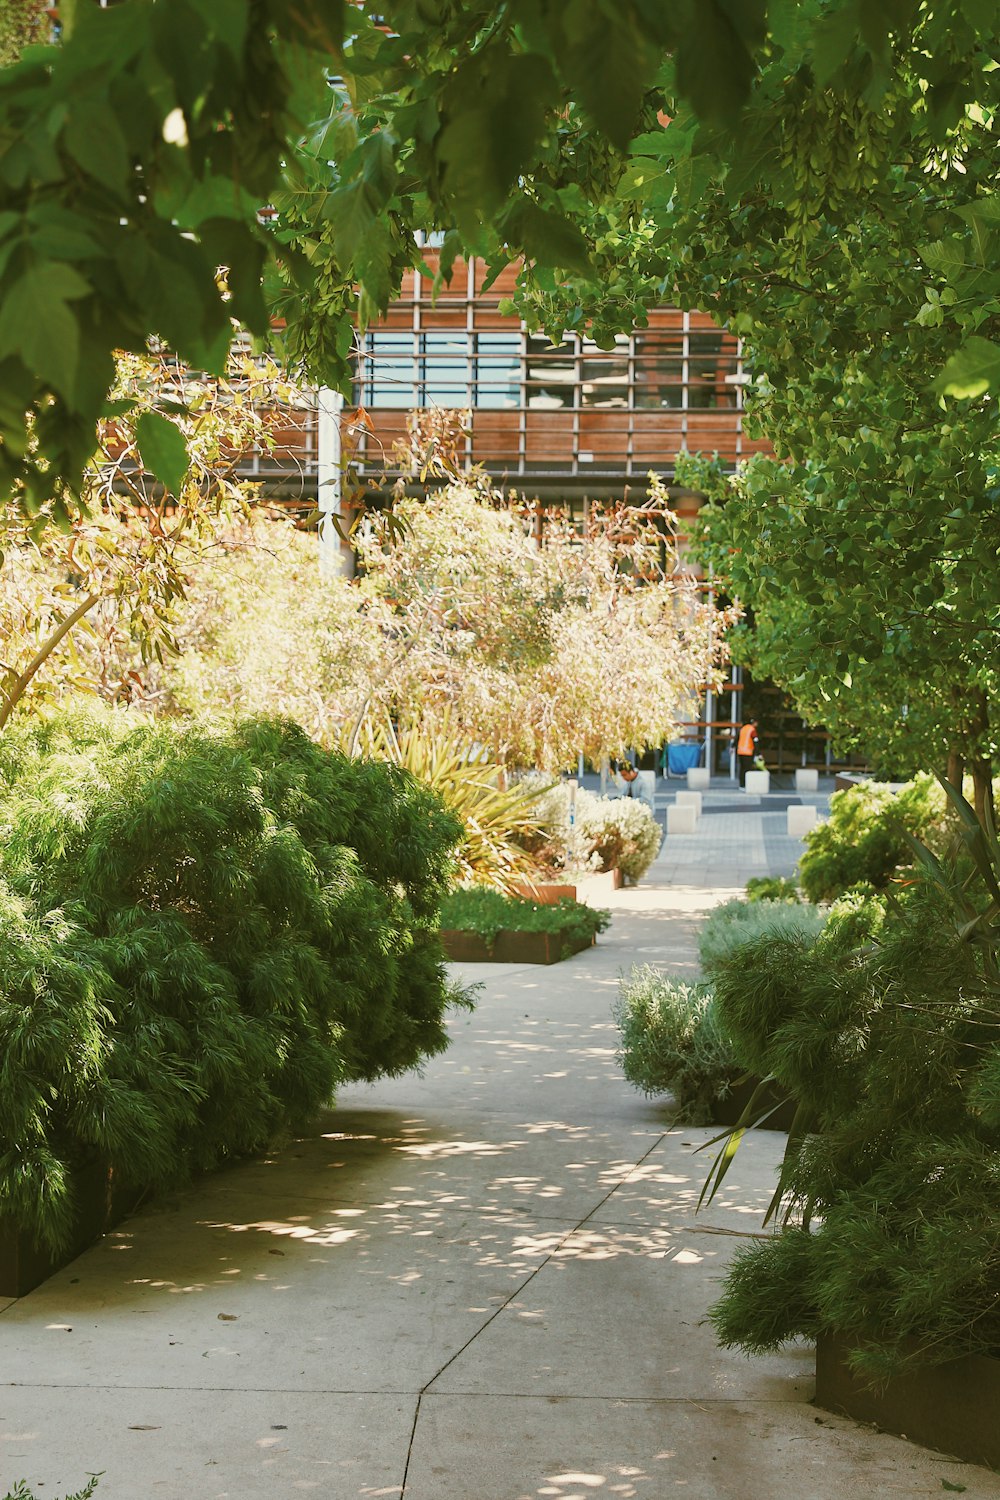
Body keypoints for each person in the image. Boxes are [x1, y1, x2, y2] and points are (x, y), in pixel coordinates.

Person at [737, 719, 759, 786]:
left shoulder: (743, 728)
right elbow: (755, 741)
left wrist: (733, 746)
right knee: (747, 769)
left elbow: (737, 738)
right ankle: (746, 784)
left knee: (742, 768)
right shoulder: (752, 730)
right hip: (748, 752)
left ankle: (741, 784)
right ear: (754, 723)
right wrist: (757, 753)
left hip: (740, 751)